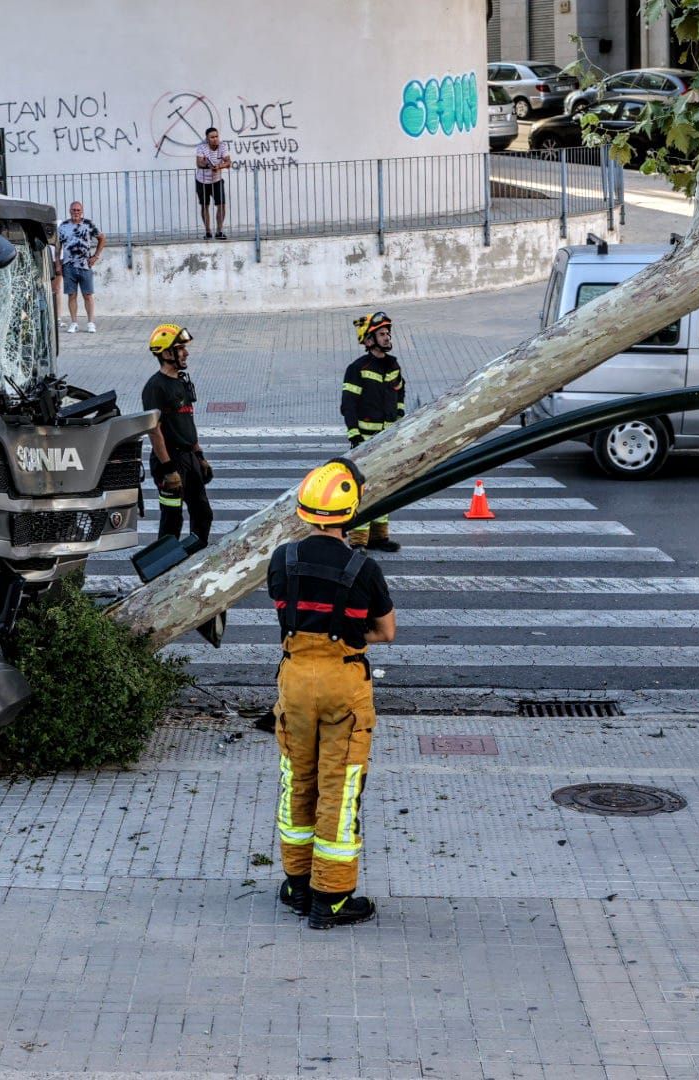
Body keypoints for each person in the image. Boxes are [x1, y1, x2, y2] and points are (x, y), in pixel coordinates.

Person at [268, 458, 396, 929]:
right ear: (350, 513)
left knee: (296, 778)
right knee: (338, 789)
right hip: (342, 682)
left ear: (304, 512)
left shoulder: (283, 559)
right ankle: (332, 897)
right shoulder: (364, 568)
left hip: (296, 678)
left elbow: (284, 609)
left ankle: (297, 885)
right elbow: (386, 631)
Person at [142, 324, 214, 544]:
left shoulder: (181, 381)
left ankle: (194, 558)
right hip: (170, 460)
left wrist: (199, 455)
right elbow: (154, 431)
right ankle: (163, 570)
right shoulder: (155, 387)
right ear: (166, 353)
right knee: (172, 519)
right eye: (180, 348)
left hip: (188, 457)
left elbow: (187, 421)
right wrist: (168, 469)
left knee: (203, 513)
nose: (186, 353)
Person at [340, 311, 405, 551]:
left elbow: (400, 393)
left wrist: (400, 417)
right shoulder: (357, 368)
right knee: (364, 490)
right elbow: (348, 405)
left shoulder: (393, 364)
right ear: (369, 341)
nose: (387, 337)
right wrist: (354, 436)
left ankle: (379, 537)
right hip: (365, 440)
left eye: (388, 333)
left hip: (388, 437)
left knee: (385, 486)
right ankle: (358, 540)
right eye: (381, 334)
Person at [56, 201, 104, 333]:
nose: (75, 212)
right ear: (69, 211)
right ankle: (74, 322)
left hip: (85, 265)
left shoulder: (89, 224)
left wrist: (95, 256)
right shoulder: (63, 226)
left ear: (81, 211)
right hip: (68, 266)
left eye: (78, 210)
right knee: (72, 295)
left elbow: (101, 238)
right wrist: (58, 263)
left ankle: (90, 323)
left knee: (87, 295)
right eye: (73, 210)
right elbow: (58, 246)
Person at [194, 127, 232, 240]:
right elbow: (199, 163)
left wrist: (219, 166)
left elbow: (228, 162)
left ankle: (219, 231)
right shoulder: (201, 146)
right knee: (204, 205)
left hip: (217, 180)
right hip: (202, 181)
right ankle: (208, 232)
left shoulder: (223, 146)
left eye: (216, 136)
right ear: (207, 138)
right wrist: (208, 166)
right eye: (212, 137)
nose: (215, 139)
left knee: (221, 205)